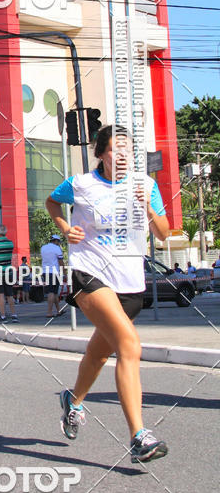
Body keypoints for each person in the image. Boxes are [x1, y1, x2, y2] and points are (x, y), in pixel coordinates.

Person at [45, 124, 170, 464]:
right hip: (90, 276)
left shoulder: (146, 185)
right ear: (101, 153)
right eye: (116, 148)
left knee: (100, 354)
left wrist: (149, 208)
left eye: (129, 149)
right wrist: (66, 228)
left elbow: (164, 233)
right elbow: (52, 203)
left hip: (130, 286)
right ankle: (139, 437)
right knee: (129, 345)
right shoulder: (81, 184)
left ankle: (73, 401)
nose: (124, 155)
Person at [40, 235, 64, 317]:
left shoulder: (43, 248)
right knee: (51, 292)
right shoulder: (57, 248)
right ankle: (49, 312)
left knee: (54, 292)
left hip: (45, 272)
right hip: (54, 272)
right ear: (56, 241)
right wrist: (64, 272)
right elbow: (61, 261)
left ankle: (58, 310)